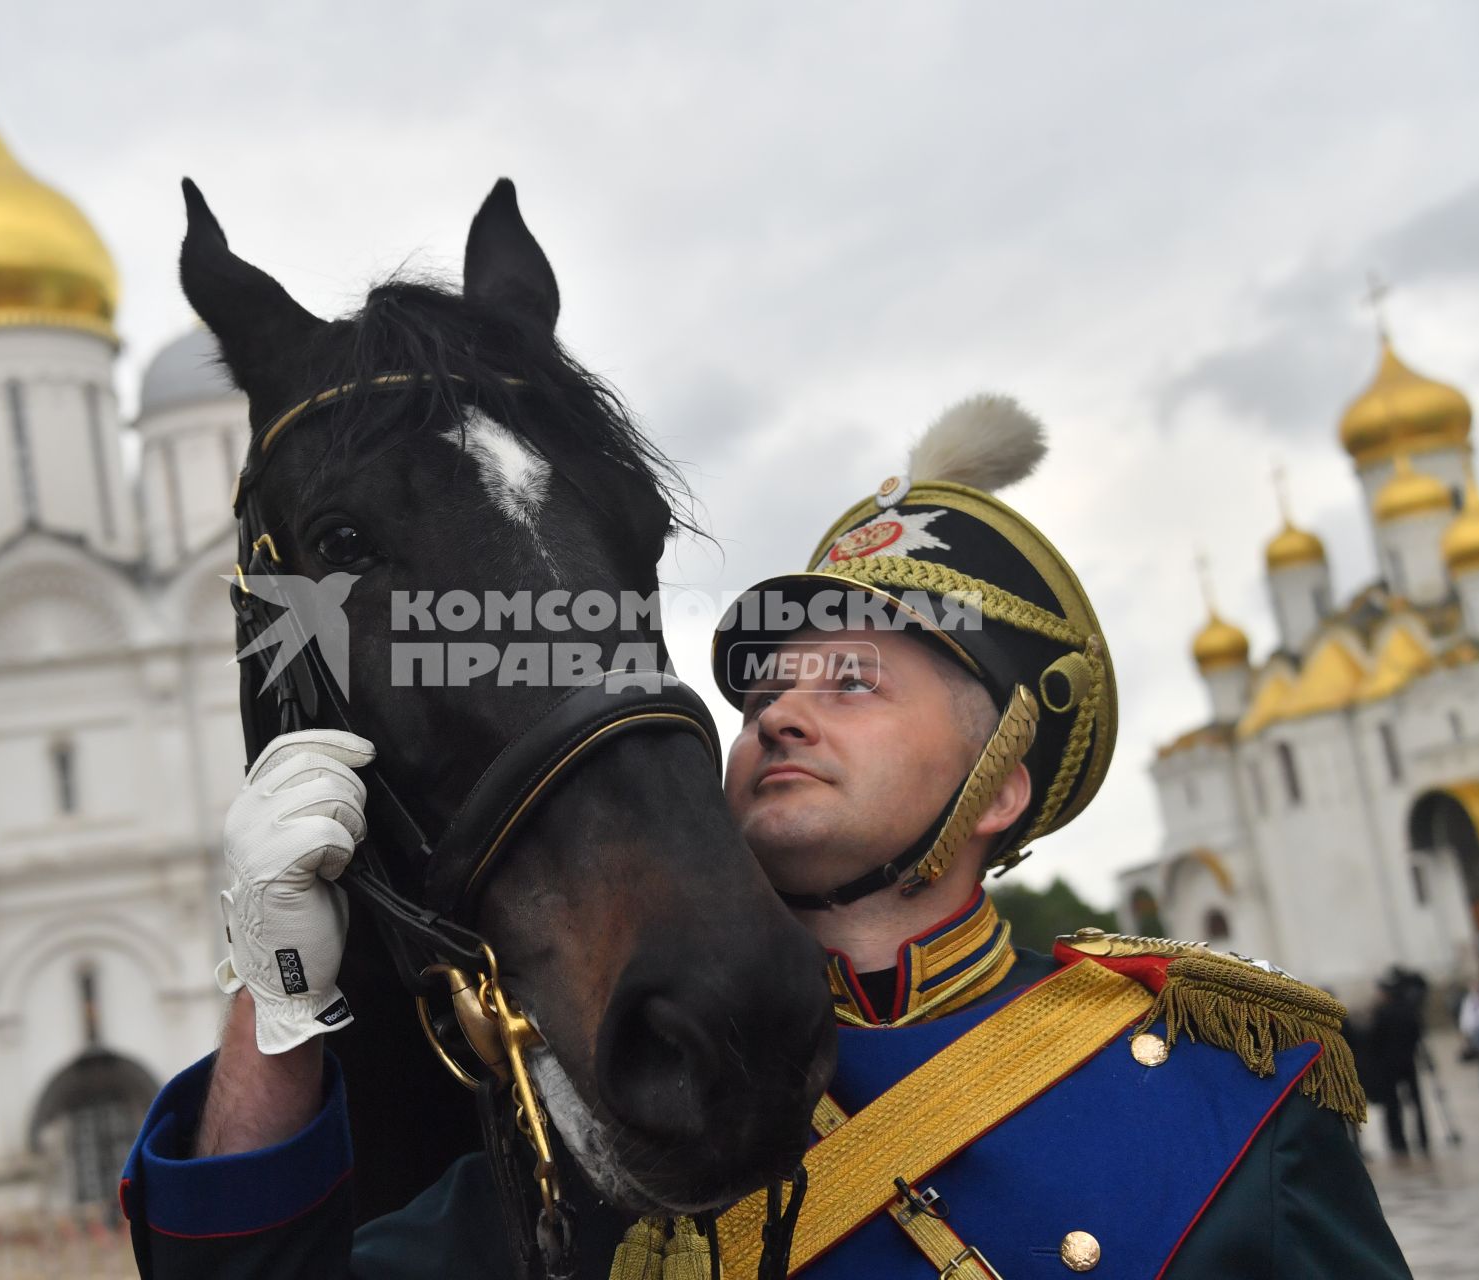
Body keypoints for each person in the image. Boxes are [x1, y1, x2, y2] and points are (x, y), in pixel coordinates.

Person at [121, 398, 1408, 1276]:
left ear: (1000, 786)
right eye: (763, 688)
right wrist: (273, 1007)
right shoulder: (620, 1107)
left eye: (850, 680)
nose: (781, 708)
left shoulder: (1229, 1097)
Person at [1364, 975, 1429, 1155]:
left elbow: (1374, 1040)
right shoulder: (1410, 1010)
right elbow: (1418, 1034)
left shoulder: (1382, 1013)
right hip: (1408, 1062)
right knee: (1416, 1103)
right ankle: (1423, 1138)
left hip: (1387, 1066)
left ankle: (1397, 1141)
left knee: (1392, 1105)